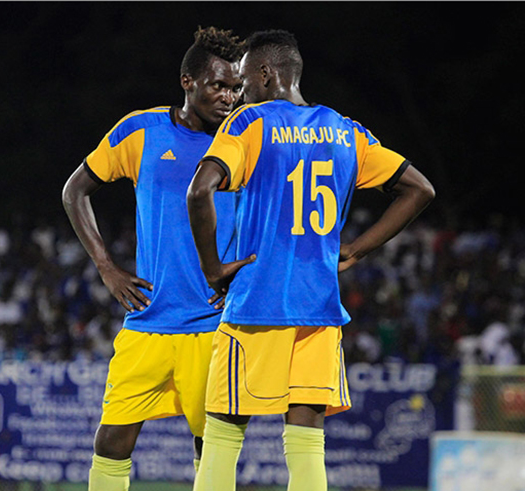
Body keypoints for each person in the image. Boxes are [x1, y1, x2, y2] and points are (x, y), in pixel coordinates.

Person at [186, 30, 435, 491]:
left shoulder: (250, 123)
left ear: (265, 74)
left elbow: (199, 191)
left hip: (257, 304)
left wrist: (212, 270)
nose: (239, 92)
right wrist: (356, 249)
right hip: (319, 310)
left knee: (222, 434)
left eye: (243, 79)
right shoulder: (346, 130)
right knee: (306, 443)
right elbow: (419, 189)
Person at [62, 27, 247, 491]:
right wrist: (106, 266)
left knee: (212, 449)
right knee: (111, 442)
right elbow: (75, 191)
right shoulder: (141, 131)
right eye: (218, 86)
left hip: (215, 323)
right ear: (188, 81)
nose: (228, 98)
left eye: (235, 88)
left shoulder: (245, 138)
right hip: (148, 320)